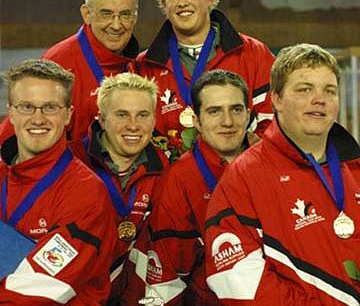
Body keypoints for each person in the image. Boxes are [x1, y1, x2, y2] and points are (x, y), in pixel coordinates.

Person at [205, 44, 360, 305]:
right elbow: (237, 278)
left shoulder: (354, 167)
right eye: (304, 89)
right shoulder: (244, 176)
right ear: (276, 99)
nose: (319, 99)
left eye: (329, 91)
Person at [0, 59, 118, 305]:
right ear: (10, 112)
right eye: (26, 107)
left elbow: (39, 292)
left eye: (50, 107)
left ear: (68, 115)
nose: (38, 118)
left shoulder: (86, 192)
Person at [140, 70, 253, 305]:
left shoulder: (273, 166)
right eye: (214, 111)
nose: (228, 121)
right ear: (196, 121)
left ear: (249, 114)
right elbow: (167, 274)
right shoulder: (180, 178)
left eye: (236, 109)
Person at [137, 0, 274, 144]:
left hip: (239, 168)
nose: (181, 2)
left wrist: (247, 156)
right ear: (164, 4)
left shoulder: (253, 53)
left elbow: (273, 120)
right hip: (172, 172)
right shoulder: (144, 67)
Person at [0, 0, 139, 143]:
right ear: (87, 14)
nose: (117, 25)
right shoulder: (59, 62)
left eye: (125, 14)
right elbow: (14, 137)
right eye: (106, 14)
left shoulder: (139, 65)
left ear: (135, 16)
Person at [69, 72, 168, 305]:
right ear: (102, 119)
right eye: (122, 114)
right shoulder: (70, 162)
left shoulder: (166, 171)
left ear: (154, 120)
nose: (133, 125)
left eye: (142, 115)